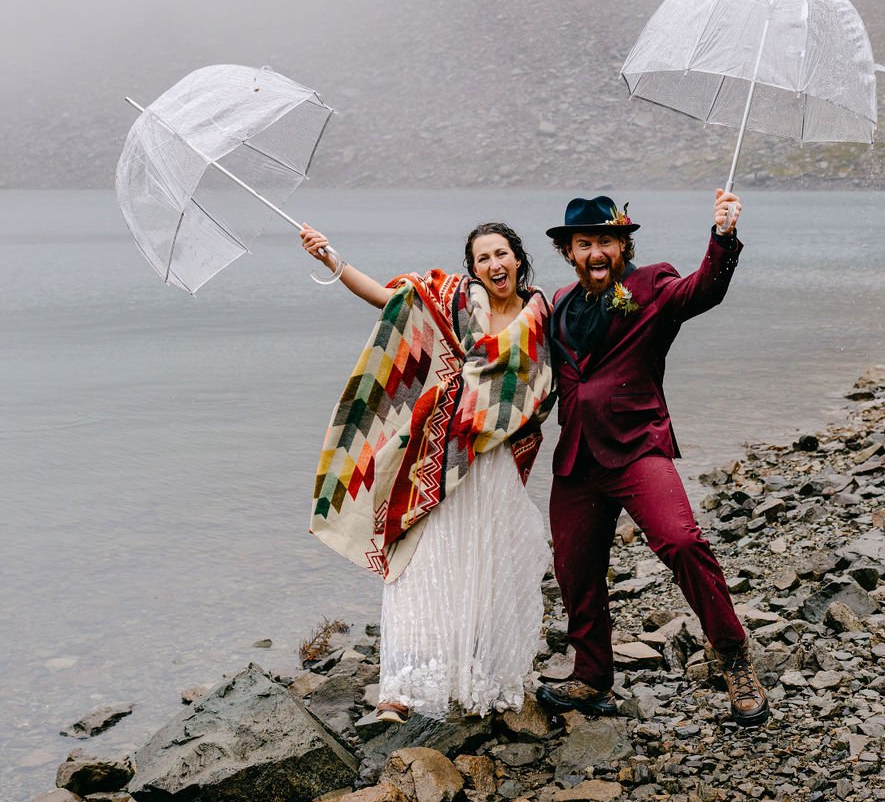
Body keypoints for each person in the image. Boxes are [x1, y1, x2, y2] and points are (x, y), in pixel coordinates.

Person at [300, 220, 554, 724]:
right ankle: (400, 688)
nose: (494, 265)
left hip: (495, 461)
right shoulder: (455, 301)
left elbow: (551, 381)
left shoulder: (544, 316)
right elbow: (386, 300)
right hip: (439, 456)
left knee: (487, 562)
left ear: (519, 258)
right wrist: (331, 258)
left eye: (501, 254)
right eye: (483, 259)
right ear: (473, 268)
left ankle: (479, 677)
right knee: (421, 564)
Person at [536, 190, 770, 727]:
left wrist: (723, 236)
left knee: (683, 542)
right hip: (576, 461)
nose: (595, 253)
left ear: (623, 244)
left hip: (638, 446)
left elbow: (703, 290)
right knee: (575, 572)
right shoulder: (559, 302)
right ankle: (591, 678)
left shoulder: (652, 286)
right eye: (584, 243)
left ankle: (733, 658)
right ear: (569, 252)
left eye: (606, 242)